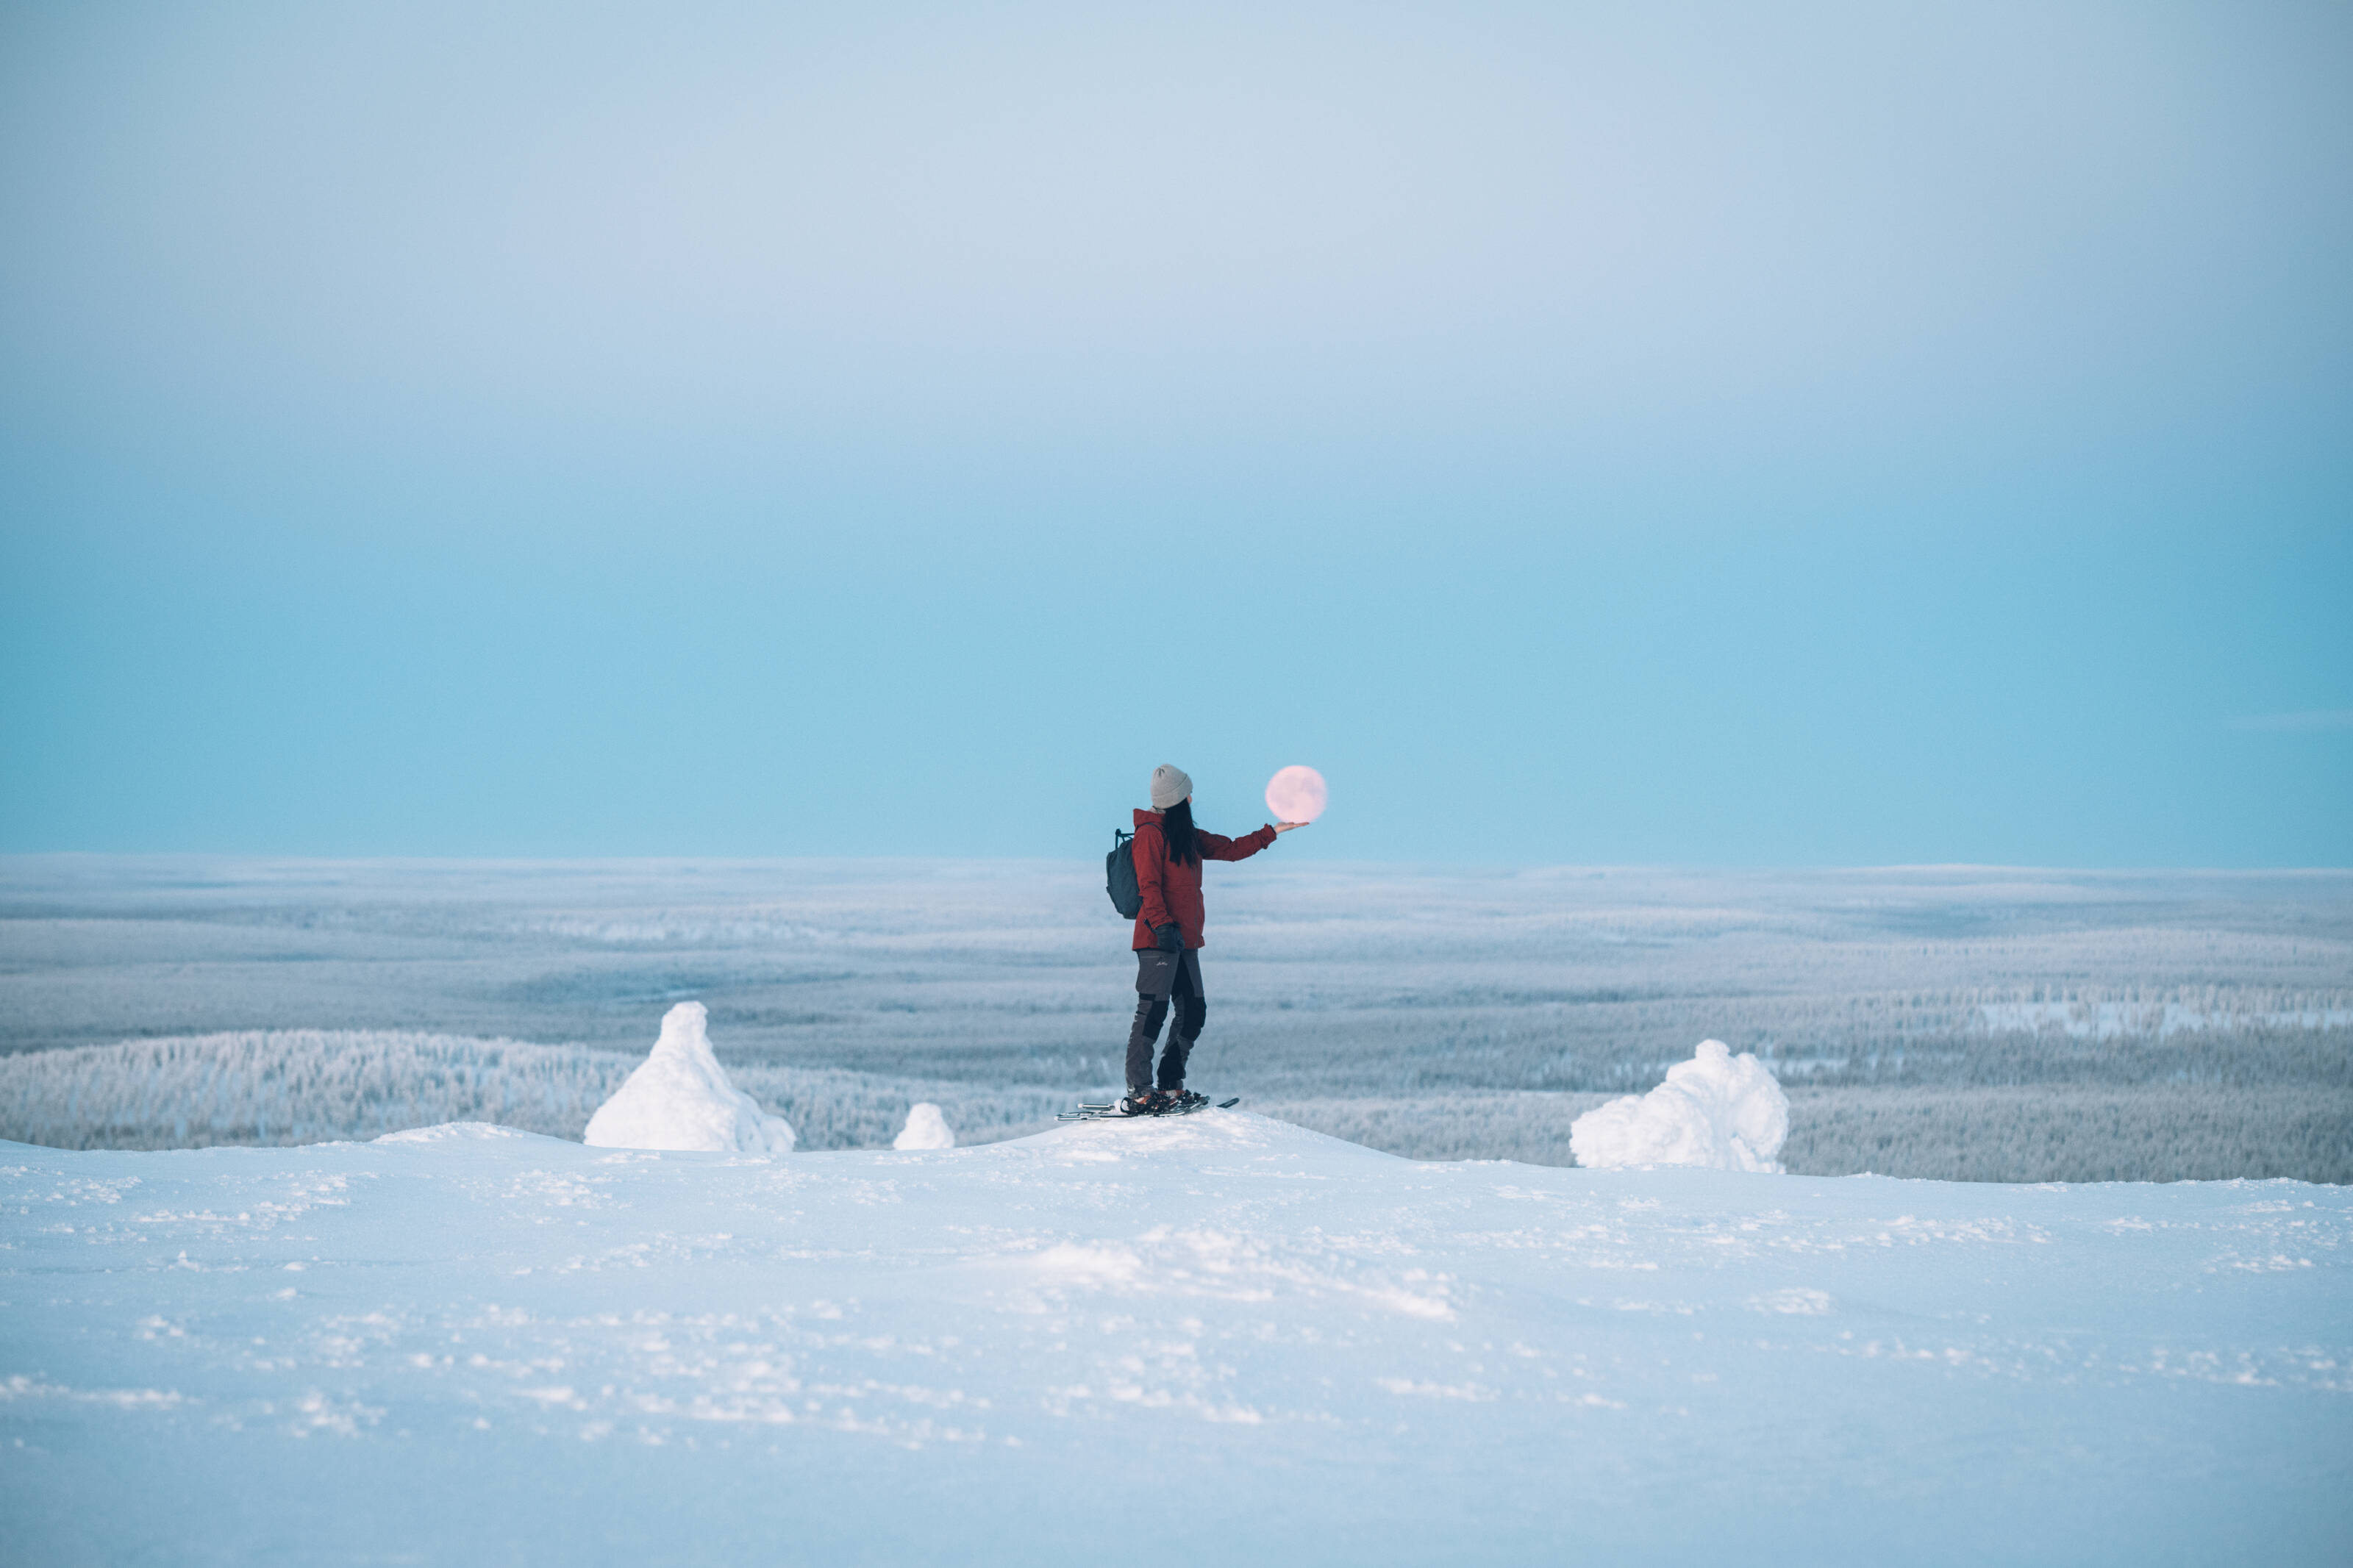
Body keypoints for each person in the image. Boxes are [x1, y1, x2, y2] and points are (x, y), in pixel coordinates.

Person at [1121, 763, 1307, 1115]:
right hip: (1158, 938)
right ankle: (1140, 1091)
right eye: (1187, 793)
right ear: (1176, 800)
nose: (1192, 798)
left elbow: (1232, 849)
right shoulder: (1150, 835)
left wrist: (1274, 832)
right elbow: (1149, 887)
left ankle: (1170, 1085)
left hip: (1184, 940)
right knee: (1153, 1012)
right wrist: (1162, 927)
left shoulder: (1186, 834)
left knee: (1193, 1012)